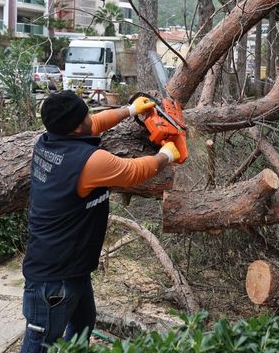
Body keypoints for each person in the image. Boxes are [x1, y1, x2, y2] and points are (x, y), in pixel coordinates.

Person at [21, 90, 180, 352]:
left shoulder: (49, 140)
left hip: (72, 266)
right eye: (85, 115)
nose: (90, 117)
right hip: (54, 279)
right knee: (40, 343)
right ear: (74, 128)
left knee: (83, 323)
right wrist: (165, 156)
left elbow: (94, 123)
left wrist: (130, 111)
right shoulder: (88, 162)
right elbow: (132, 172)